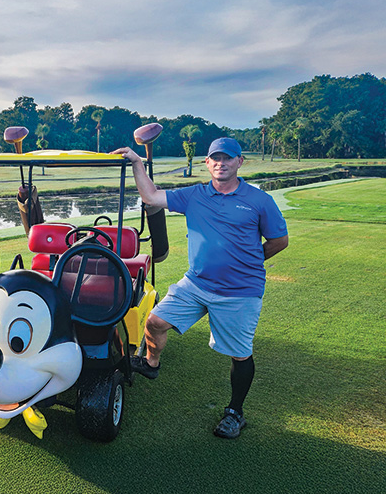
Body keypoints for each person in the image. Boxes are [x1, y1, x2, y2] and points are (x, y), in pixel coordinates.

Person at [112, 137, 288, 438]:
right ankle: (151, 362)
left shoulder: (259, 201)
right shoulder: (194, 195)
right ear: (207, 163)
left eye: (228, 158)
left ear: (239, 162)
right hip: (195, 284)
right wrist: (137, 163)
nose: (221, 163)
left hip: (240, 292)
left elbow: (279, 241)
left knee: (240, 354)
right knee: (154, 322)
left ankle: (235, 412)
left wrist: (249, 261)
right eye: (215, 158)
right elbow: (152, 197)